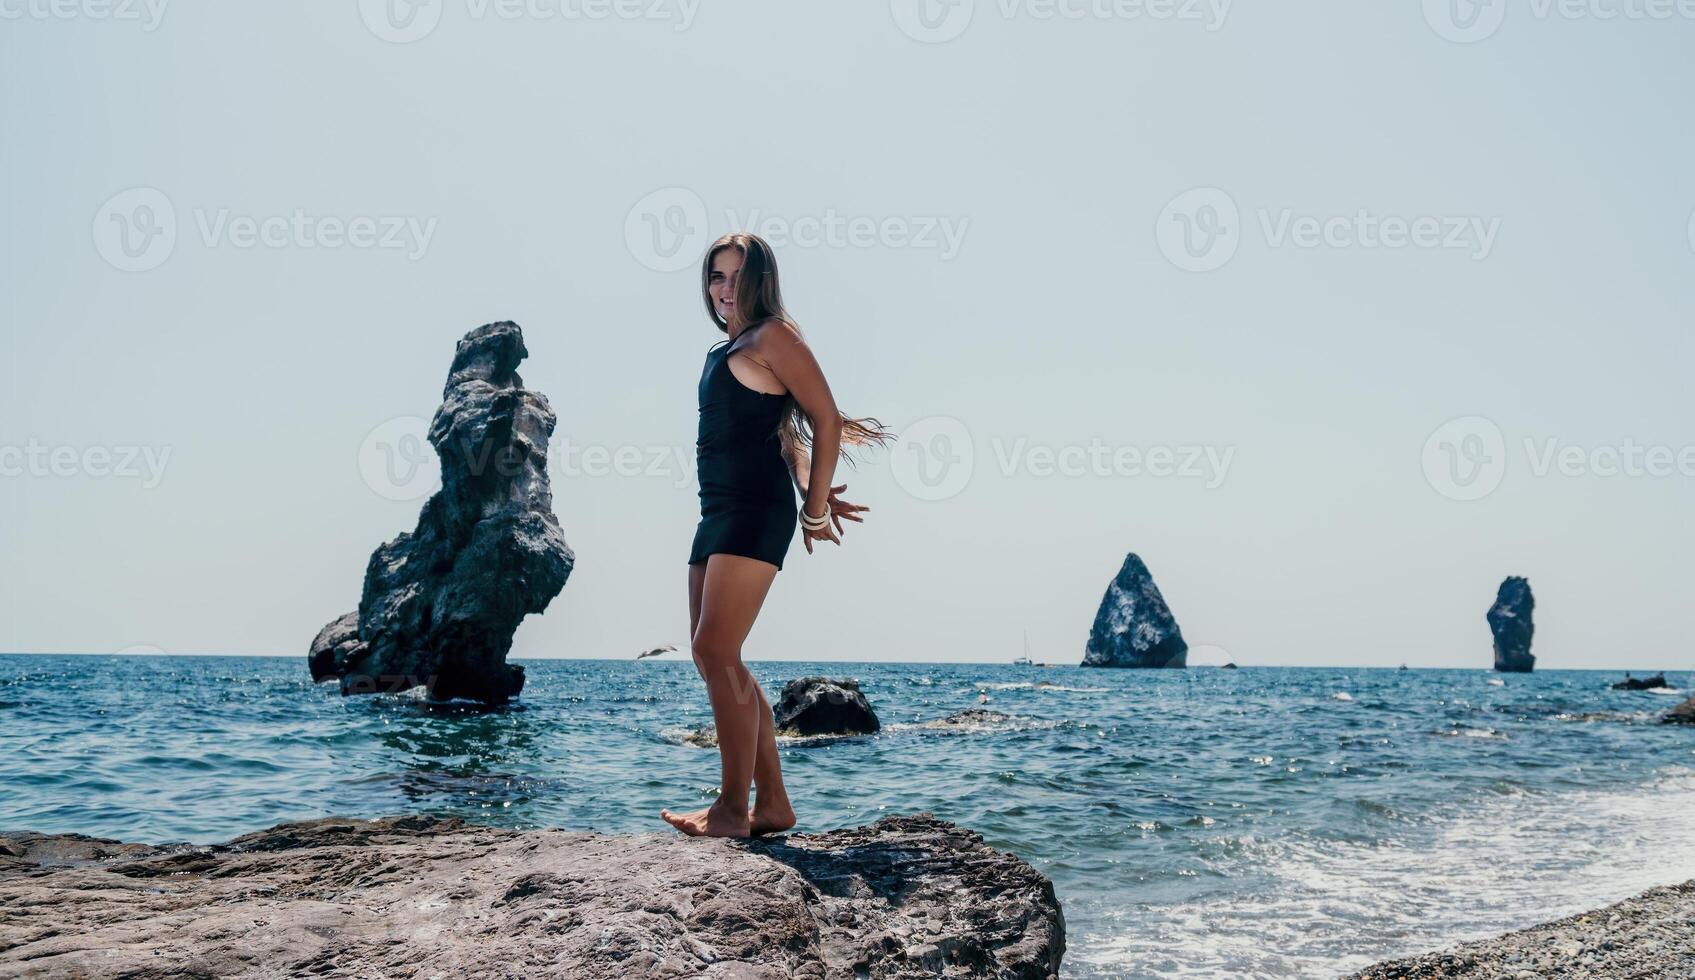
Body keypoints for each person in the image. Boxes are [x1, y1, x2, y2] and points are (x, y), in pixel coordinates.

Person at [661, 233, 893, 838]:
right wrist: (803, 476)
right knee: (711, 654)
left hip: (754, 511)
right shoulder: (725, 351)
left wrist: (814, 508)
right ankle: (773, 806)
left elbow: (826, 417)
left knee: (716, 651)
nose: (725, 288)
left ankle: (732, 808)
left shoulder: (774, 338)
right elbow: (788, 436)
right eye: (716, 276)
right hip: (716, 510)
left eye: (738, 277)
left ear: (762, 283)